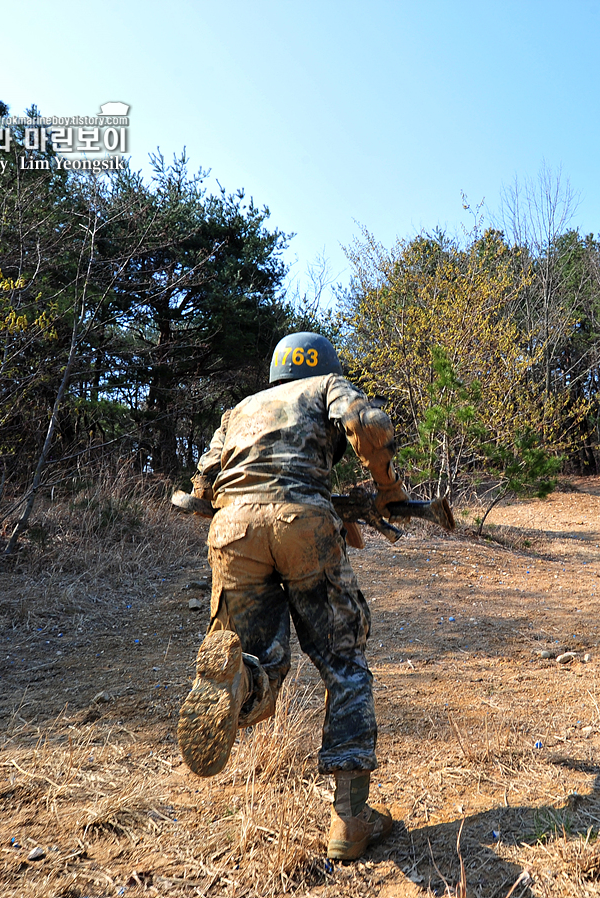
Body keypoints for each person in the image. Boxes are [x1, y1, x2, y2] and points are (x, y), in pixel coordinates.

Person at [176, 331, 406, 861]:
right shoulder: (326, 385)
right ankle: (350, 821)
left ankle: (239, 680)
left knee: (259, 657)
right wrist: (387, 487)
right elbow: (367, 425)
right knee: (344, 664)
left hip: (233, 528)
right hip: (303, 526)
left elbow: (200, 488)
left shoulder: (240, 408)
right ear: (321, 364)